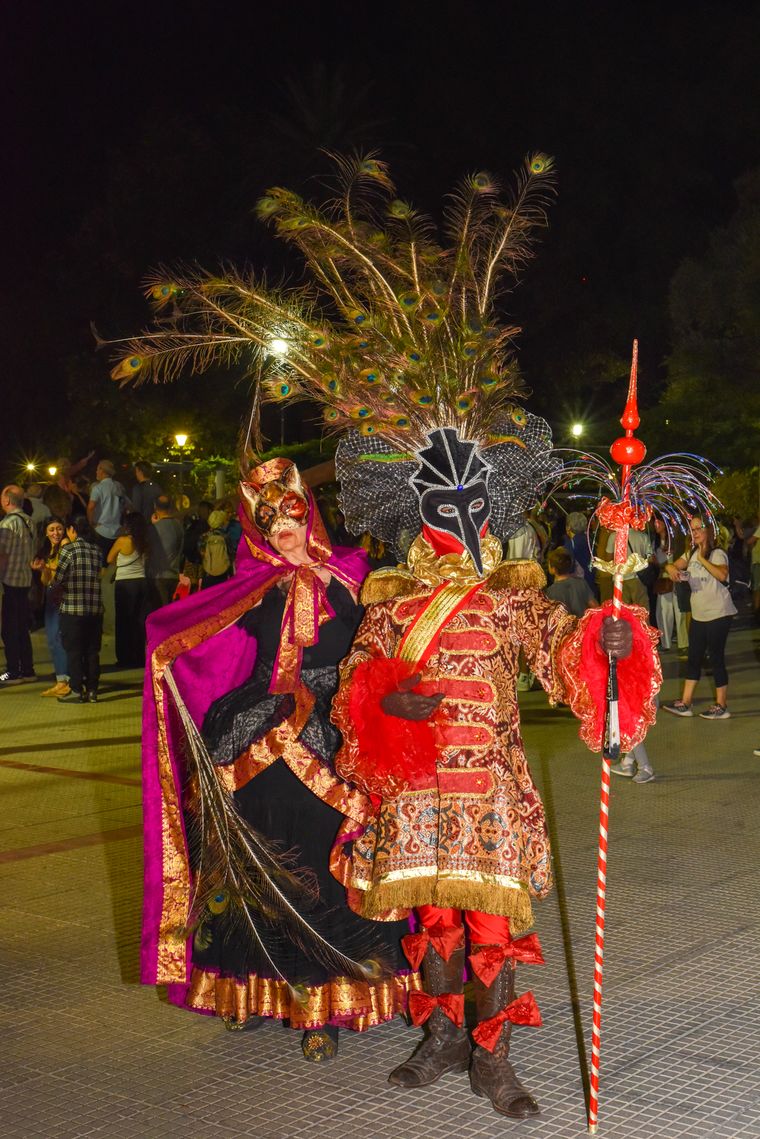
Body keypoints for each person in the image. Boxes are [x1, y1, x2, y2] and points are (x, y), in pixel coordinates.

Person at [141, 458, 418, 1060]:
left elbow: (394, 642)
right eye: (266, 519)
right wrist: (164, 652)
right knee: (252, 857)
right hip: (258, 727)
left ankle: (330, 998)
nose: (281, 526)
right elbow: (199, 642)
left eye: (289, 511)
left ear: (308, 510)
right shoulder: (253, 586)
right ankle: (253, 988)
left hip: (341, 725)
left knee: (328, 856)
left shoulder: (355, 574)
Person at [662, 515, 737, 719]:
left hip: (719, 613)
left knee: (715, 658)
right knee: (694, 658)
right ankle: (685, 703)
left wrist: (703, 558)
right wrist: (671, 570)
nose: (694, 532)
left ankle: (721, 706)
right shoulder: (691, 553)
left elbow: (722, 575)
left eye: (698, 529)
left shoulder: (718, 553)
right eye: (692, 529)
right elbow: (672, 565)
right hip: (699, 614)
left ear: (709, 530)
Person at [53, 515, 104, 703]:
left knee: (74, 651)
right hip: (95, 610)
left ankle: (76, 690)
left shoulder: (68, 550)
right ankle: (92, 691)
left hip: (73, 610)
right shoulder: (97, 551)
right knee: (92, 651)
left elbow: (58, 579)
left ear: (72, 530)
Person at [0, 485, 36, 685]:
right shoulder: (29, 521)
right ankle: (28, 670)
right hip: (25, 580)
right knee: (22, 627)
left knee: (9, 629)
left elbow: (2, 554)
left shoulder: (8, 523)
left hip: (10, 581)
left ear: (7, 500)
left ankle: (13, 671)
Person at [31, 516, 71, 696]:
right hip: (51, 594)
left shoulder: (65, 546)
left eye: (59, 528)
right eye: (52, 530)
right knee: (53, 639)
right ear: (46, 533)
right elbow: (46, 581)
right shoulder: (50, 550)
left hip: (62, 596)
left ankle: (66, 680)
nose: (56, 533)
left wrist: (49, 569)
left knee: (60, 639)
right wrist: (42, 570)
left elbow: (66, 572)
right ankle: (61, 679)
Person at [107, 511, 151, 667]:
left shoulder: (122, 541)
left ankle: (125, 658)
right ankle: (139, 656)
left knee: (123, 621)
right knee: (139, 621)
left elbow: (109, 558)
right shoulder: (144, 540)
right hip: (141, 581)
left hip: (125, 583)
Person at [87, 459, 128, 564]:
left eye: (97, 469)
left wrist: (91, 523)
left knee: (99, 563)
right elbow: (127, 506)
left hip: (101, 530)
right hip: (117, 531)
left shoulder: (98, 488)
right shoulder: (119, 486)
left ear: (102, 471)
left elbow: (91, 507)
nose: (96, 472)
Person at [148, 495, 184, 605]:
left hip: (158, 576)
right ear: (170, 507)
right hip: (173, 575)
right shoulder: (179, 526)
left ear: (155, 507)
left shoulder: (154, 528)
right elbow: (181, 550)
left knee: (160, 610)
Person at [545, 546, 599, 617]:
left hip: (564, 627)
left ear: (553, 569)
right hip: (582, 625)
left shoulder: (550, 591)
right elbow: (595, 607)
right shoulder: (581, 583)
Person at [198, 508, 233, 589]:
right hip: (223, 574)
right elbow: (231, 554)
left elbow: (201, 554)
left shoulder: (204, 537)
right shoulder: (225, 536)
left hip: (208, 573)